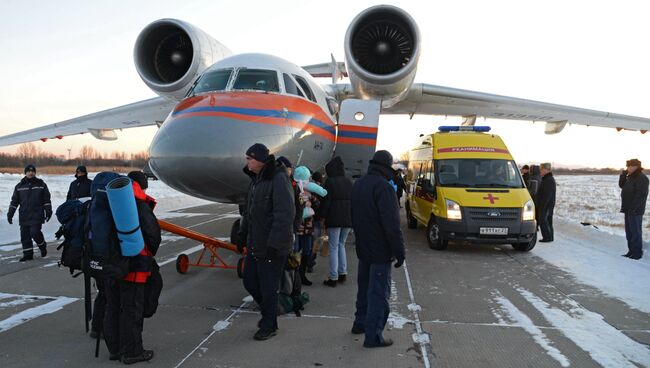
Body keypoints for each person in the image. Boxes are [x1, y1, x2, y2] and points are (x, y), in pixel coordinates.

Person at [103, 171, 161, 364]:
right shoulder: (139, 204)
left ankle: (115, 349)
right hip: (136, 267)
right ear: (141, 186)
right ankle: (133, 352)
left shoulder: (110, 200)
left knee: (112, 307)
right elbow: (153, 236)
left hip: (112, 265)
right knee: (132, 311)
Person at [239, 144, 295, 340]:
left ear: (260, 160)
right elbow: (249, 213)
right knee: (250, 281)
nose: (246, 162)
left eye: (249, 159)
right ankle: (271, 311)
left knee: (268, 287)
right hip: (256, 244)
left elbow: (285, 214)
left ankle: (269, 323)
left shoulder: (278, 179)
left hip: (272, 247)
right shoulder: (256, 181)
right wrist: (242, 234)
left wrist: (275, 244)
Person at [351, 151, 405, 348]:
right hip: (380, 251)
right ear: (387, 166)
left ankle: (360, 323)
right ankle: (373, 336)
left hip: (363, 246)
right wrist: (399, 252)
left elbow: (353, 216)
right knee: (378, 294)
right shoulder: (383, 187)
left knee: (364, 288)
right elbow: (392, 225)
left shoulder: (359, 184)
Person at [7, 164, 52, 262]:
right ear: (25, 173)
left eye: (32, 171)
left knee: (35, 233)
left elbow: (46, 199)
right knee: (25, 236)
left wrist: (48, 211)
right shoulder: (19, 186)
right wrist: (10, 214)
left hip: (37, 214)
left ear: (35, 173)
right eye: (28, 171)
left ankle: (42, 245)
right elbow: (14, 201)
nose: (30, 173)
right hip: (24, 215)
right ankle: (28, 254)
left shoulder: (41, 184)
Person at [320, 156, 353, 287]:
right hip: (347, 219)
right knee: (341, 244)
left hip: (334, 219)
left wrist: (322, 216)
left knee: (333, 246)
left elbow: (326, 202)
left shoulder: (330, 182)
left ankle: (333, 277)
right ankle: (343, 273)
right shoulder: (349, 181)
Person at [619, 158, 648, 260]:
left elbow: (642, 195)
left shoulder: (642, 178)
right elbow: (622, 185)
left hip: (635, 210)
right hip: (628, 209)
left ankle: (637, 253)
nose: (628, 168)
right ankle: (631, 251)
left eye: (629, 166)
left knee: (635, 232)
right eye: (627, 166)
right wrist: (623, 174)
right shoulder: (631, 177)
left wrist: (633, 207)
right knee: (629, 232)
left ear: (635, 167)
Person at [537, 163, 556, 243]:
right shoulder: (547, 179)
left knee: (543, 220)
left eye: (541, 169)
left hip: (546, 204)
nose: (540, 171)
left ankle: (547, 237)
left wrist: (543, 204)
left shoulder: (549, 180)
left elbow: (547, 195)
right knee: (548, 220)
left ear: (546, 170)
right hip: (548, 204)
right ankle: (549, 237)